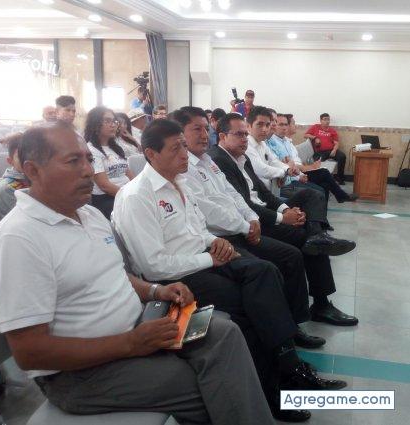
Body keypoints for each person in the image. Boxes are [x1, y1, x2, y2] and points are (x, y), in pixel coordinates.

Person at [0, 125, 274, 425]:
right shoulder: (18, 240)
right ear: (33, 170)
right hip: (82, 373)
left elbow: (114, 273)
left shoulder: (88, 215)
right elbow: (30, 353)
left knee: (224, 334)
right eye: (73, 161)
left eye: (89, 159)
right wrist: (131, 343)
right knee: (215, 386)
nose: (88, 170)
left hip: (138, 327)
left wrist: (155, 291)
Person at [113, 118, 349, 422]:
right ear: (151, 154)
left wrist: (214, 242)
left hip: (205, 256)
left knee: (265, 271)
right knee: (253, 310)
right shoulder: (137, 196)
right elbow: (153, 265)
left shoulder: (178, 183)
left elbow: (198, 228)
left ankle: (289, 365)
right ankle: (276, 388)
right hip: (177, 279)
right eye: (175, 149)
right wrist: (211, 258)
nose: (184, 154)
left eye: (184, 146)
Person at [172, 106, 326, 350]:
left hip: (243, 226)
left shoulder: (208, 161)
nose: (204, 134)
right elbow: (208, 212)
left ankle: (300, 319)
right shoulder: (191, 167)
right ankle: (285, 339)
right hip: (222, 237)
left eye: (205, 129)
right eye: (196, 129)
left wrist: (254, 219)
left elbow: (235, 195)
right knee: (276, 264)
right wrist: (251, 224)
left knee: (298, 244)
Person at [209, 113, 359, 327]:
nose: (244, 138)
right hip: (251, 222)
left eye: (244, 134)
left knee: (311, 204)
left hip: (262, 210)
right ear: (222, 136)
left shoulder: (241, 157)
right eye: (239, 134)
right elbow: (243, 204)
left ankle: (317, 237)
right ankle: (315, 307)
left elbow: (263, 192)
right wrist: (282, 218)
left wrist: (287, 209)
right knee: (304, 240)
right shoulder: (219, 160)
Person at [269, 113, 358, 203]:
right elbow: (290, 165)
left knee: (326, 182)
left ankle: (338, 195)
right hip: (292, 177)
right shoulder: (275, 143)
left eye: (285, 124)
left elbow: (294, 163)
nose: (285, 127)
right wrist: (309, 168)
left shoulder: (286, 141)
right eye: (281, 124)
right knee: (324, 174)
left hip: (298, 173)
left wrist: (308, 168)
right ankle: (341, 196)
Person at [85, 107, 130, 219]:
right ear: (95, 125)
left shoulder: (116, 148)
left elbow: (129, 173)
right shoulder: (91, 150)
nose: (113, 125)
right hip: (106, 198)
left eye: (114, 121)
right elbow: (104, 185)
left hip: (126, 192)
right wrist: (130, 196)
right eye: (107, 121)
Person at [0, 134, 28, 219]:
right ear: (10, 161)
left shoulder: (39, 178)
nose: (28, 160)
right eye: (21, 157)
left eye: (34, 155)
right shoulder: (8, 189)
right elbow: (25, 218)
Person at [304, 113, 347, 185]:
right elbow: (305, 135)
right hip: (320, 151)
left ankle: (340, 178)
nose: (327, 121)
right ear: (321, 120)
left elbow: (336, 143)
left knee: (342, 156)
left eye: (328, 119)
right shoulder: (315, 127)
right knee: (318, 161)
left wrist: (334, 150)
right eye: (325, 119)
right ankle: (319, 179)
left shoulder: (332, 131)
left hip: (331, 150)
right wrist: (315, 138)